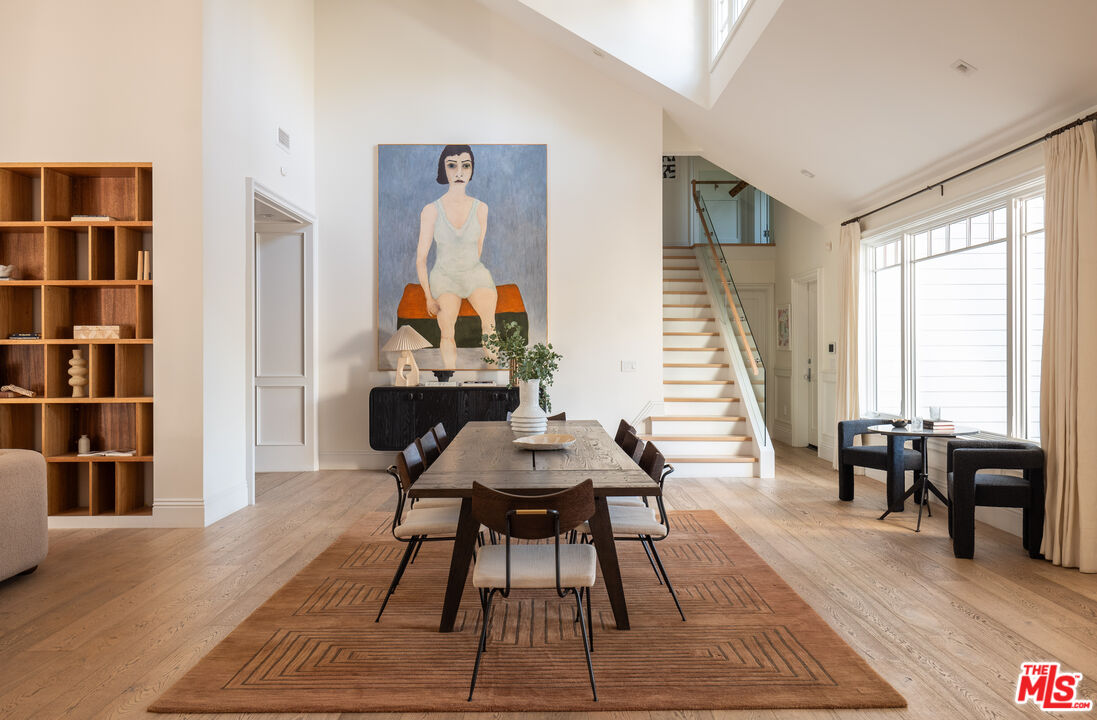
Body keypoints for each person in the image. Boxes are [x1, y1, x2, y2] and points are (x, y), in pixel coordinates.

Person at [416, 144, 497, 369]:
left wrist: (468, 270)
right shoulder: (431, 210)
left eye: (465, 165)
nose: (459, 172)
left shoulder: (481, 208)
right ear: (444, 170)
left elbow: (478, 247)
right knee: (447, 331)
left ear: (472, 170)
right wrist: (428, 297)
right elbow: (421, 259)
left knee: (490, 327)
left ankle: (494, 380)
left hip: (475, 274)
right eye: (452, 165)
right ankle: (448, 380)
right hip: (444, 277)